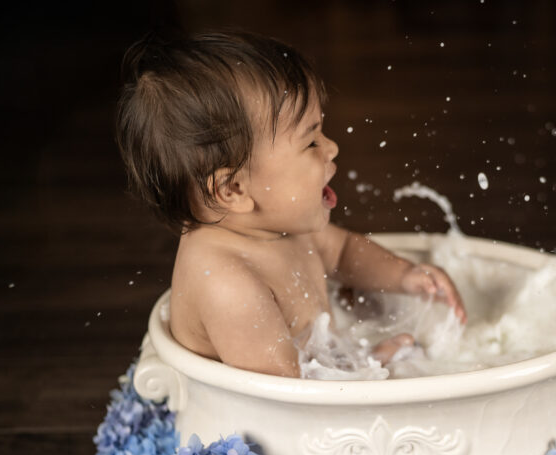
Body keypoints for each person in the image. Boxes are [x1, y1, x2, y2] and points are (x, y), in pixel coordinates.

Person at [116, 31, 465, 377]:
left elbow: (343, 252)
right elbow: (285, 394)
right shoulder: (227, 283)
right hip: (267, 415)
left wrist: (404, 276)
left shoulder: (274, 225)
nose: (332, 148)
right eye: (310, 143)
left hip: (318, 372)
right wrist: (372, 367)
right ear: (233, 188)